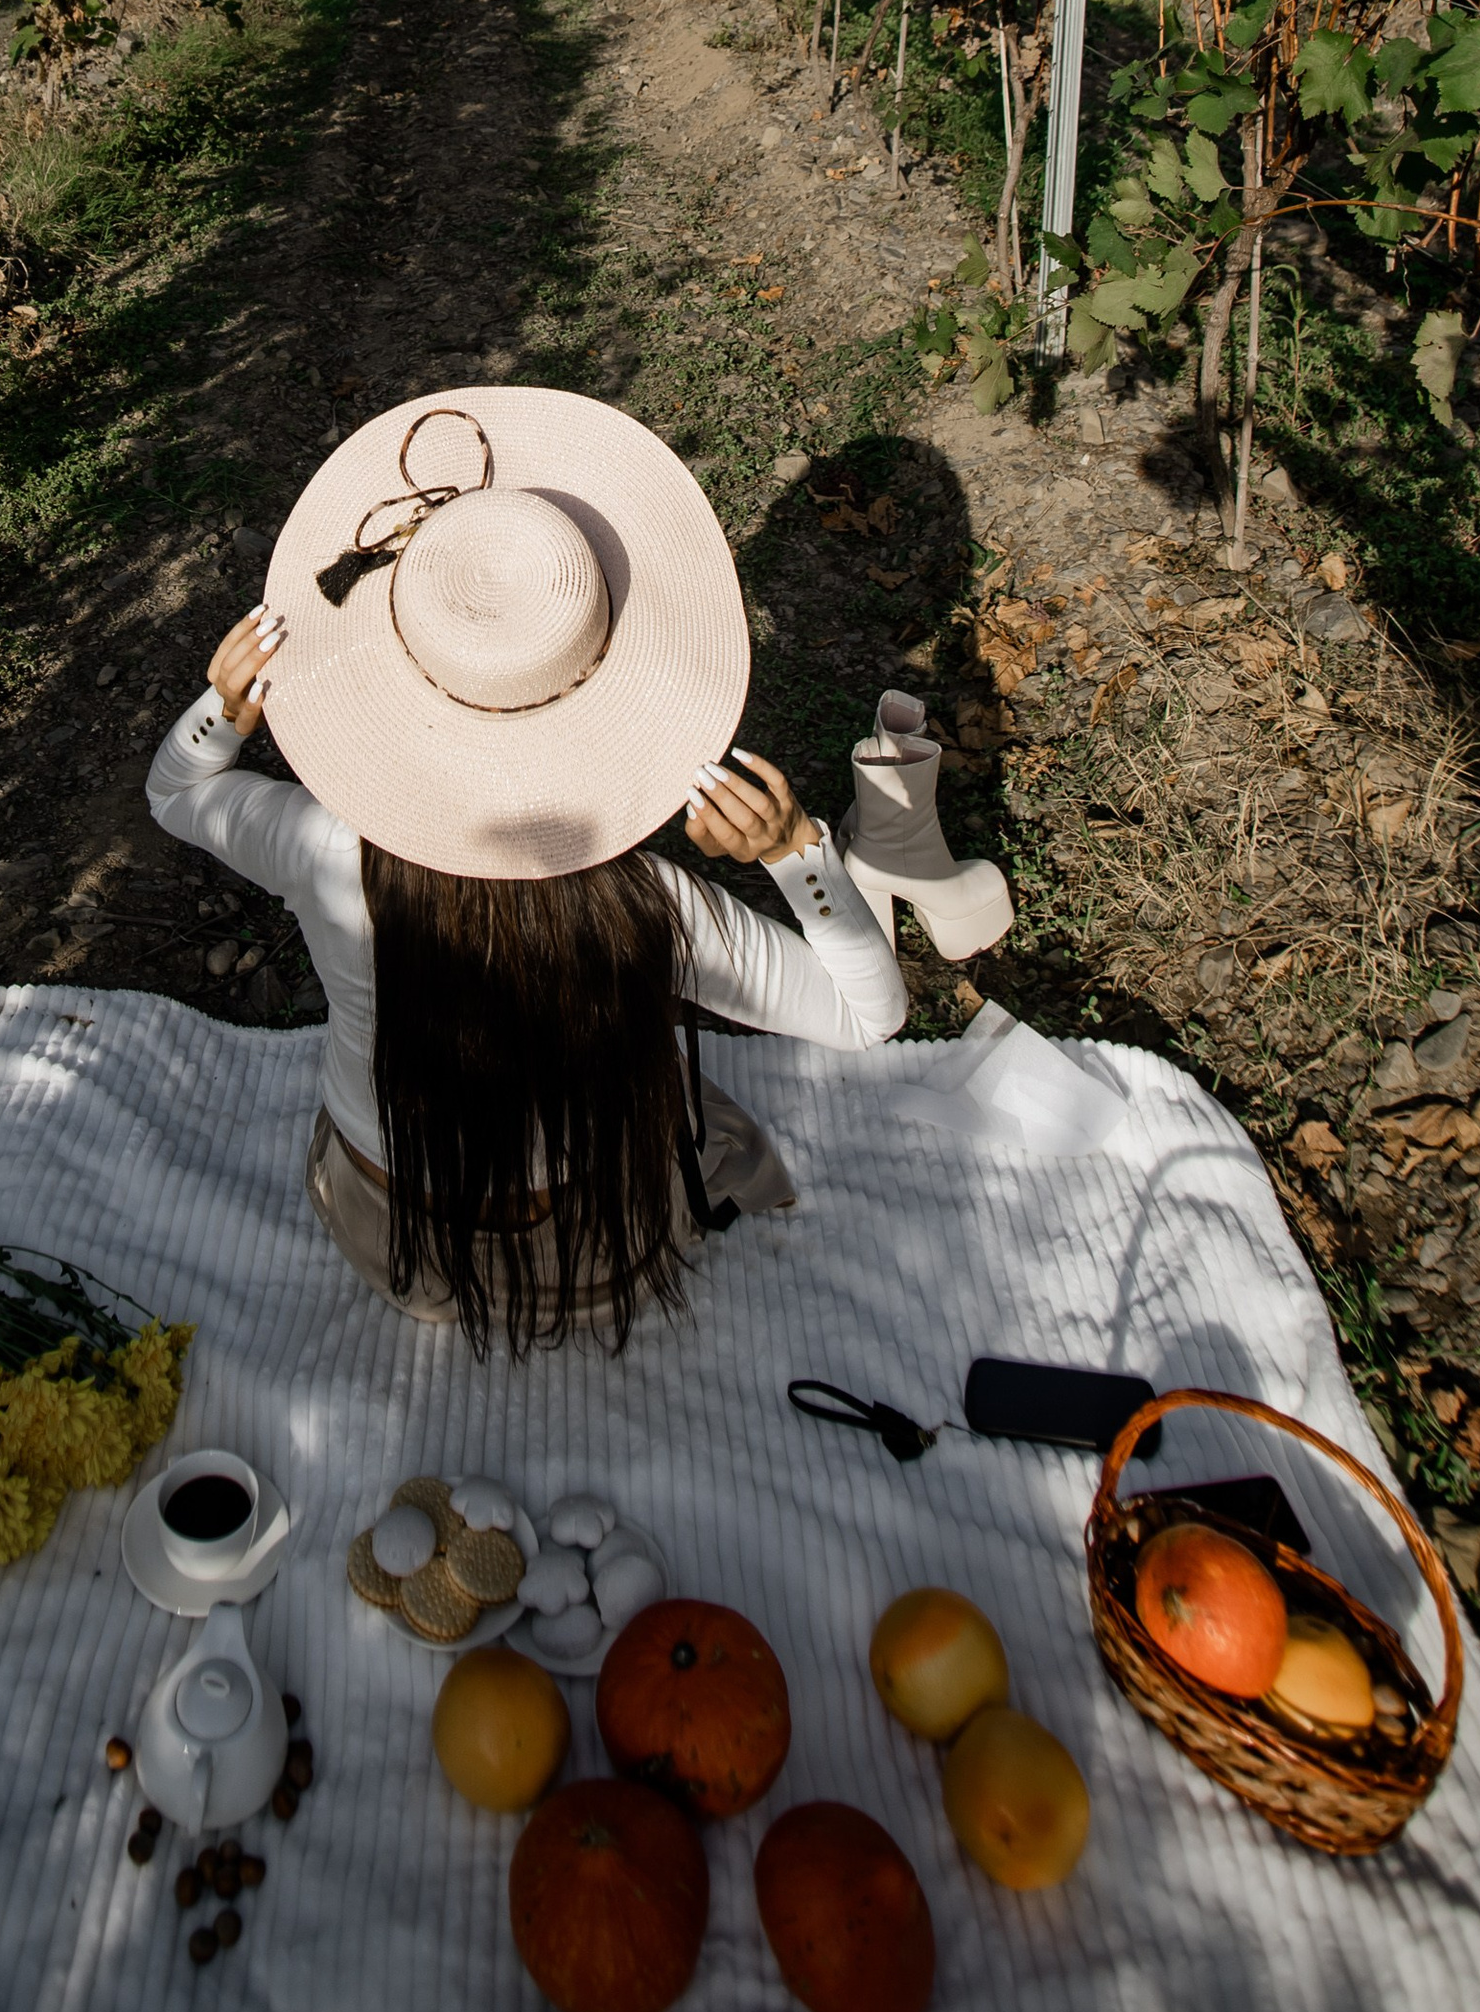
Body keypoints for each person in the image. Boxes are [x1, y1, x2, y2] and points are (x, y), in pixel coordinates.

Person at [146, 384, 943, 1357]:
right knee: (700, 1114)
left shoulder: (319, 848)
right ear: (599, 677)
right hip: (599, 1257)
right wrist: (796, 853)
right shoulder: (642, 908)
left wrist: (222, 708)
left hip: (394, 1255)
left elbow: (175, 795)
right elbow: (869, 1014)